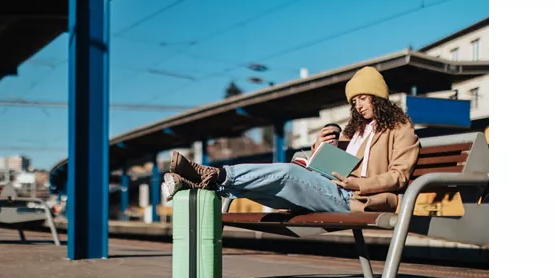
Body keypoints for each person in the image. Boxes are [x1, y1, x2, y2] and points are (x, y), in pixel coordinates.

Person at [161, 66, 420, 213]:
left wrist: (359, 184)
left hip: (355, 197)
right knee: (276, 178)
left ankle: (212, 175)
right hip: (329, 187)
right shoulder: (354, 132)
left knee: (285, 172)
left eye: (363, 98)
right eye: (354, 101)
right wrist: (318, 149)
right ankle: (200, 183)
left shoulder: (400, 128)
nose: (359, 106)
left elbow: (398, 176)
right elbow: (334, 165)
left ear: (378, 96)